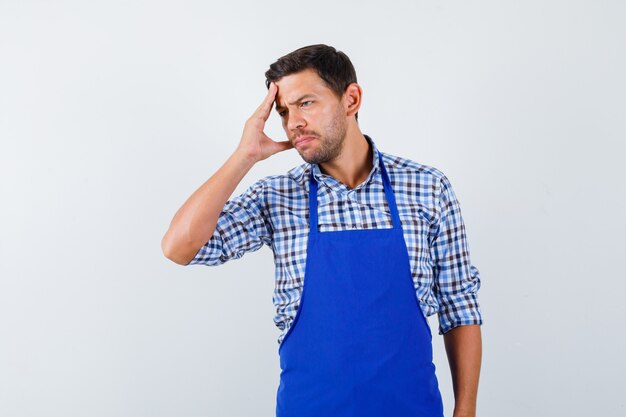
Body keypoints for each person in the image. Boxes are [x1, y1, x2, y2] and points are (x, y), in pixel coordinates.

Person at [162, 44, 483, 417]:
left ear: (351, 99)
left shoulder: (427, 188)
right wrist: (244, 156)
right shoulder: (278, 197)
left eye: (306, 103)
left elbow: (459, 305)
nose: (292, 122)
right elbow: (179, 247)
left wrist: (466, 411)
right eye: (283, 112)